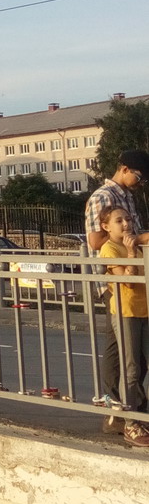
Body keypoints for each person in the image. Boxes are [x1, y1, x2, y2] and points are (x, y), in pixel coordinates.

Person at [85, 150, 149, 425]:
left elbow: (131, 236)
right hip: (113, 279)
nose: (141, 183)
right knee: (120, 352)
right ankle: (118, 410)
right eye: (139, 177)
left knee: (130, 351)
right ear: (124, 169)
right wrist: (139, 239)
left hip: (135, 278)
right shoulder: (103, 196)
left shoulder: (126, 196)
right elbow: (96, 241)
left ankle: (129, 406)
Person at [98, 204, 149, 448]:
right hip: (125, 312)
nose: (126, 224)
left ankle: (142, 414)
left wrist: (136, 247)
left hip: (145, 310)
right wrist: (130, 252)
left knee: (143, 365)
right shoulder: (109, 248)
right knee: (131, 368)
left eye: (128, 219)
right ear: (106, 226)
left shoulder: (136, 245)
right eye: (119, 221)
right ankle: (130, 423)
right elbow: (126, 280)